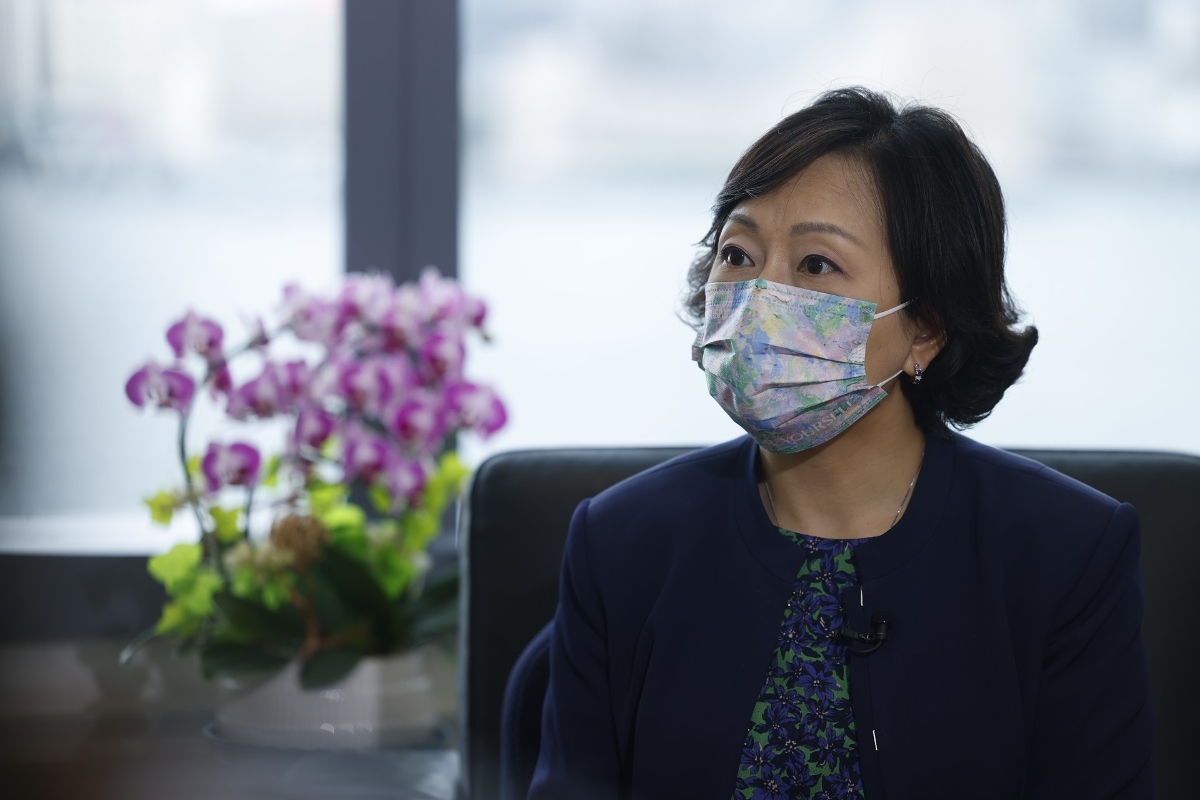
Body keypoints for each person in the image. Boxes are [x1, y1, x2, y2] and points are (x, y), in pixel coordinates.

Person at [527, 87, 1154, 799]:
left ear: (926, 327)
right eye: (738, 253)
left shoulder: (1068, 554)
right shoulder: (618, 541)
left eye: (816, 265)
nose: (759, 297)